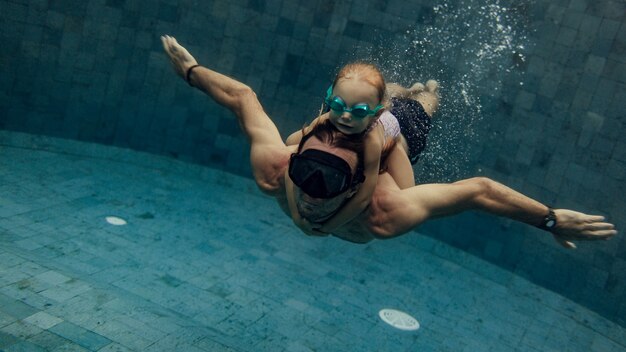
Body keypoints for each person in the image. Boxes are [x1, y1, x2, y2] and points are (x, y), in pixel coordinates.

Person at [161, 35, 617, 249]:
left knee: (419, 109)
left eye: (328, 183)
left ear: (362, 181)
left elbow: (480, 190)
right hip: (364, 116)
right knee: (369, 101)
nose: (313, 195)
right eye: (305, 175)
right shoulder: (280, 167)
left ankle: (420, 93)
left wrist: (552, 221)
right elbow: (242, 98)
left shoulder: (383, 207)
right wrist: (191, 72)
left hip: (394, 134)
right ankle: (390, 91)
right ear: (292, 163)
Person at [282, 62, 440, 234]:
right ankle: (408, 90)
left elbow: (364, 197)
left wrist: (329, 227)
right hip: (377, 103)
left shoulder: (371, 140)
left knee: (424, 106)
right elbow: (292, 151)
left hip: (403, 127)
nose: (346, 116)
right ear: (330, 99)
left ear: (376, 113)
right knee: (391, 92)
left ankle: (429, 91)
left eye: (358, 111)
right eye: (337, 105)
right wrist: (296, 216)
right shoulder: (326, 120)